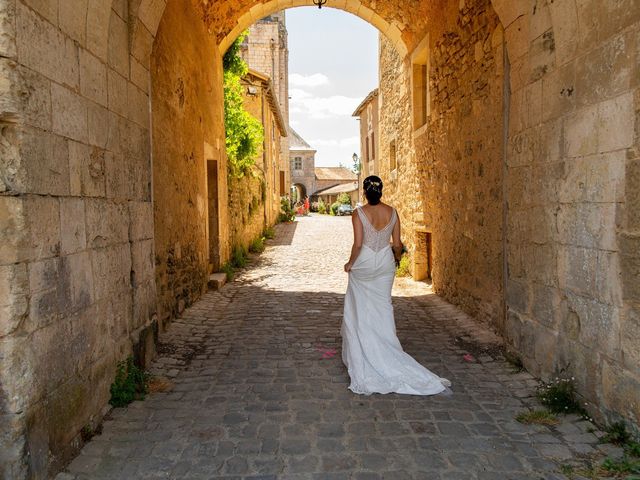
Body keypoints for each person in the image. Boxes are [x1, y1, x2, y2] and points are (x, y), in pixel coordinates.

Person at [341, 175, 451, 395]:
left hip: (364, 264)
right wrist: (397, 259)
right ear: (381, 191)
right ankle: (387, 348)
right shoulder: (393, 213)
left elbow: (359, 244)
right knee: (383, 307)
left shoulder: (359, 213)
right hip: (384, 264)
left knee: (359, 308)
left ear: (364, 191)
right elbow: (398, 244)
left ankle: (364, 352)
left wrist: (350, 263)